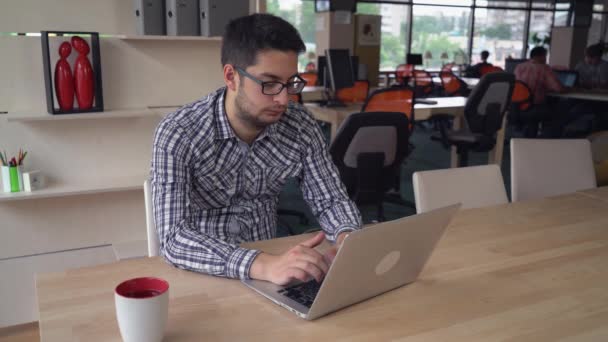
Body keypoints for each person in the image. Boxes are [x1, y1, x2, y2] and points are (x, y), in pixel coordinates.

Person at [150, 14, 362, 286]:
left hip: (273, 268)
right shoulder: (179, 132)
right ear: (231, 77)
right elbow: (174, 238)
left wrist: (346, 237)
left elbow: (331, 199)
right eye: (269, 83)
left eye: (290, 84)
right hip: (202, 270)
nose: (283, 99)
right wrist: (260, 263)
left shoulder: (300, 126)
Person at [513, 46, 569, 137]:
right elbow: (559, 89)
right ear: (541, 56)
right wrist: (568, 88)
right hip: (534, 108)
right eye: (545, 56)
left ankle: (530, 135)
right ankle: (549, 139)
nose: (545, 59)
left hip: (517, 107)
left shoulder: (519, 67)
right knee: (560, 110)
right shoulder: (544, 68)